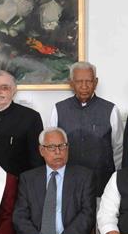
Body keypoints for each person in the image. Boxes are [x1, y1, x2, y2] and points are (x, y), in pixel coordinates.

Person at [49, 61, 123, 206]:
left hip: (102, 181)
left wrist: (116, 178)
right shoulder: (58, 109)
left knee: (100, 223)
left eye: (89, 81)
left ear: (95, 82)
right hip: (69, 181)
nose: (84, 86)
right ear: (71, 83)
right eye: (79, 81)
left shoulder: (111, 109)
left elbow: (119, 148)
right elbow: (51, 148)